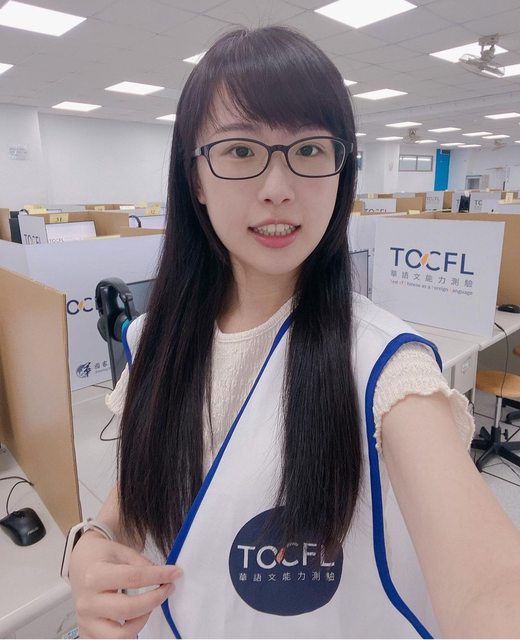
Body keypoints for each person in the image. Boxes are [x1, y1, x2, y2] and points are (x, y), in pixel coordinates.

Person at [68, 26, 520, 639]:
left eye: (308, 150)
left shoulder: (386, 367)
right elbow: (138, 489)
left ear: (341, 170)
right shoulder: (155, 340)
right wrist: (92, 540)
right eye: (240, 150)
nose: (278, 189)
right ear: (195, 178)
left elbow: (489, 585)